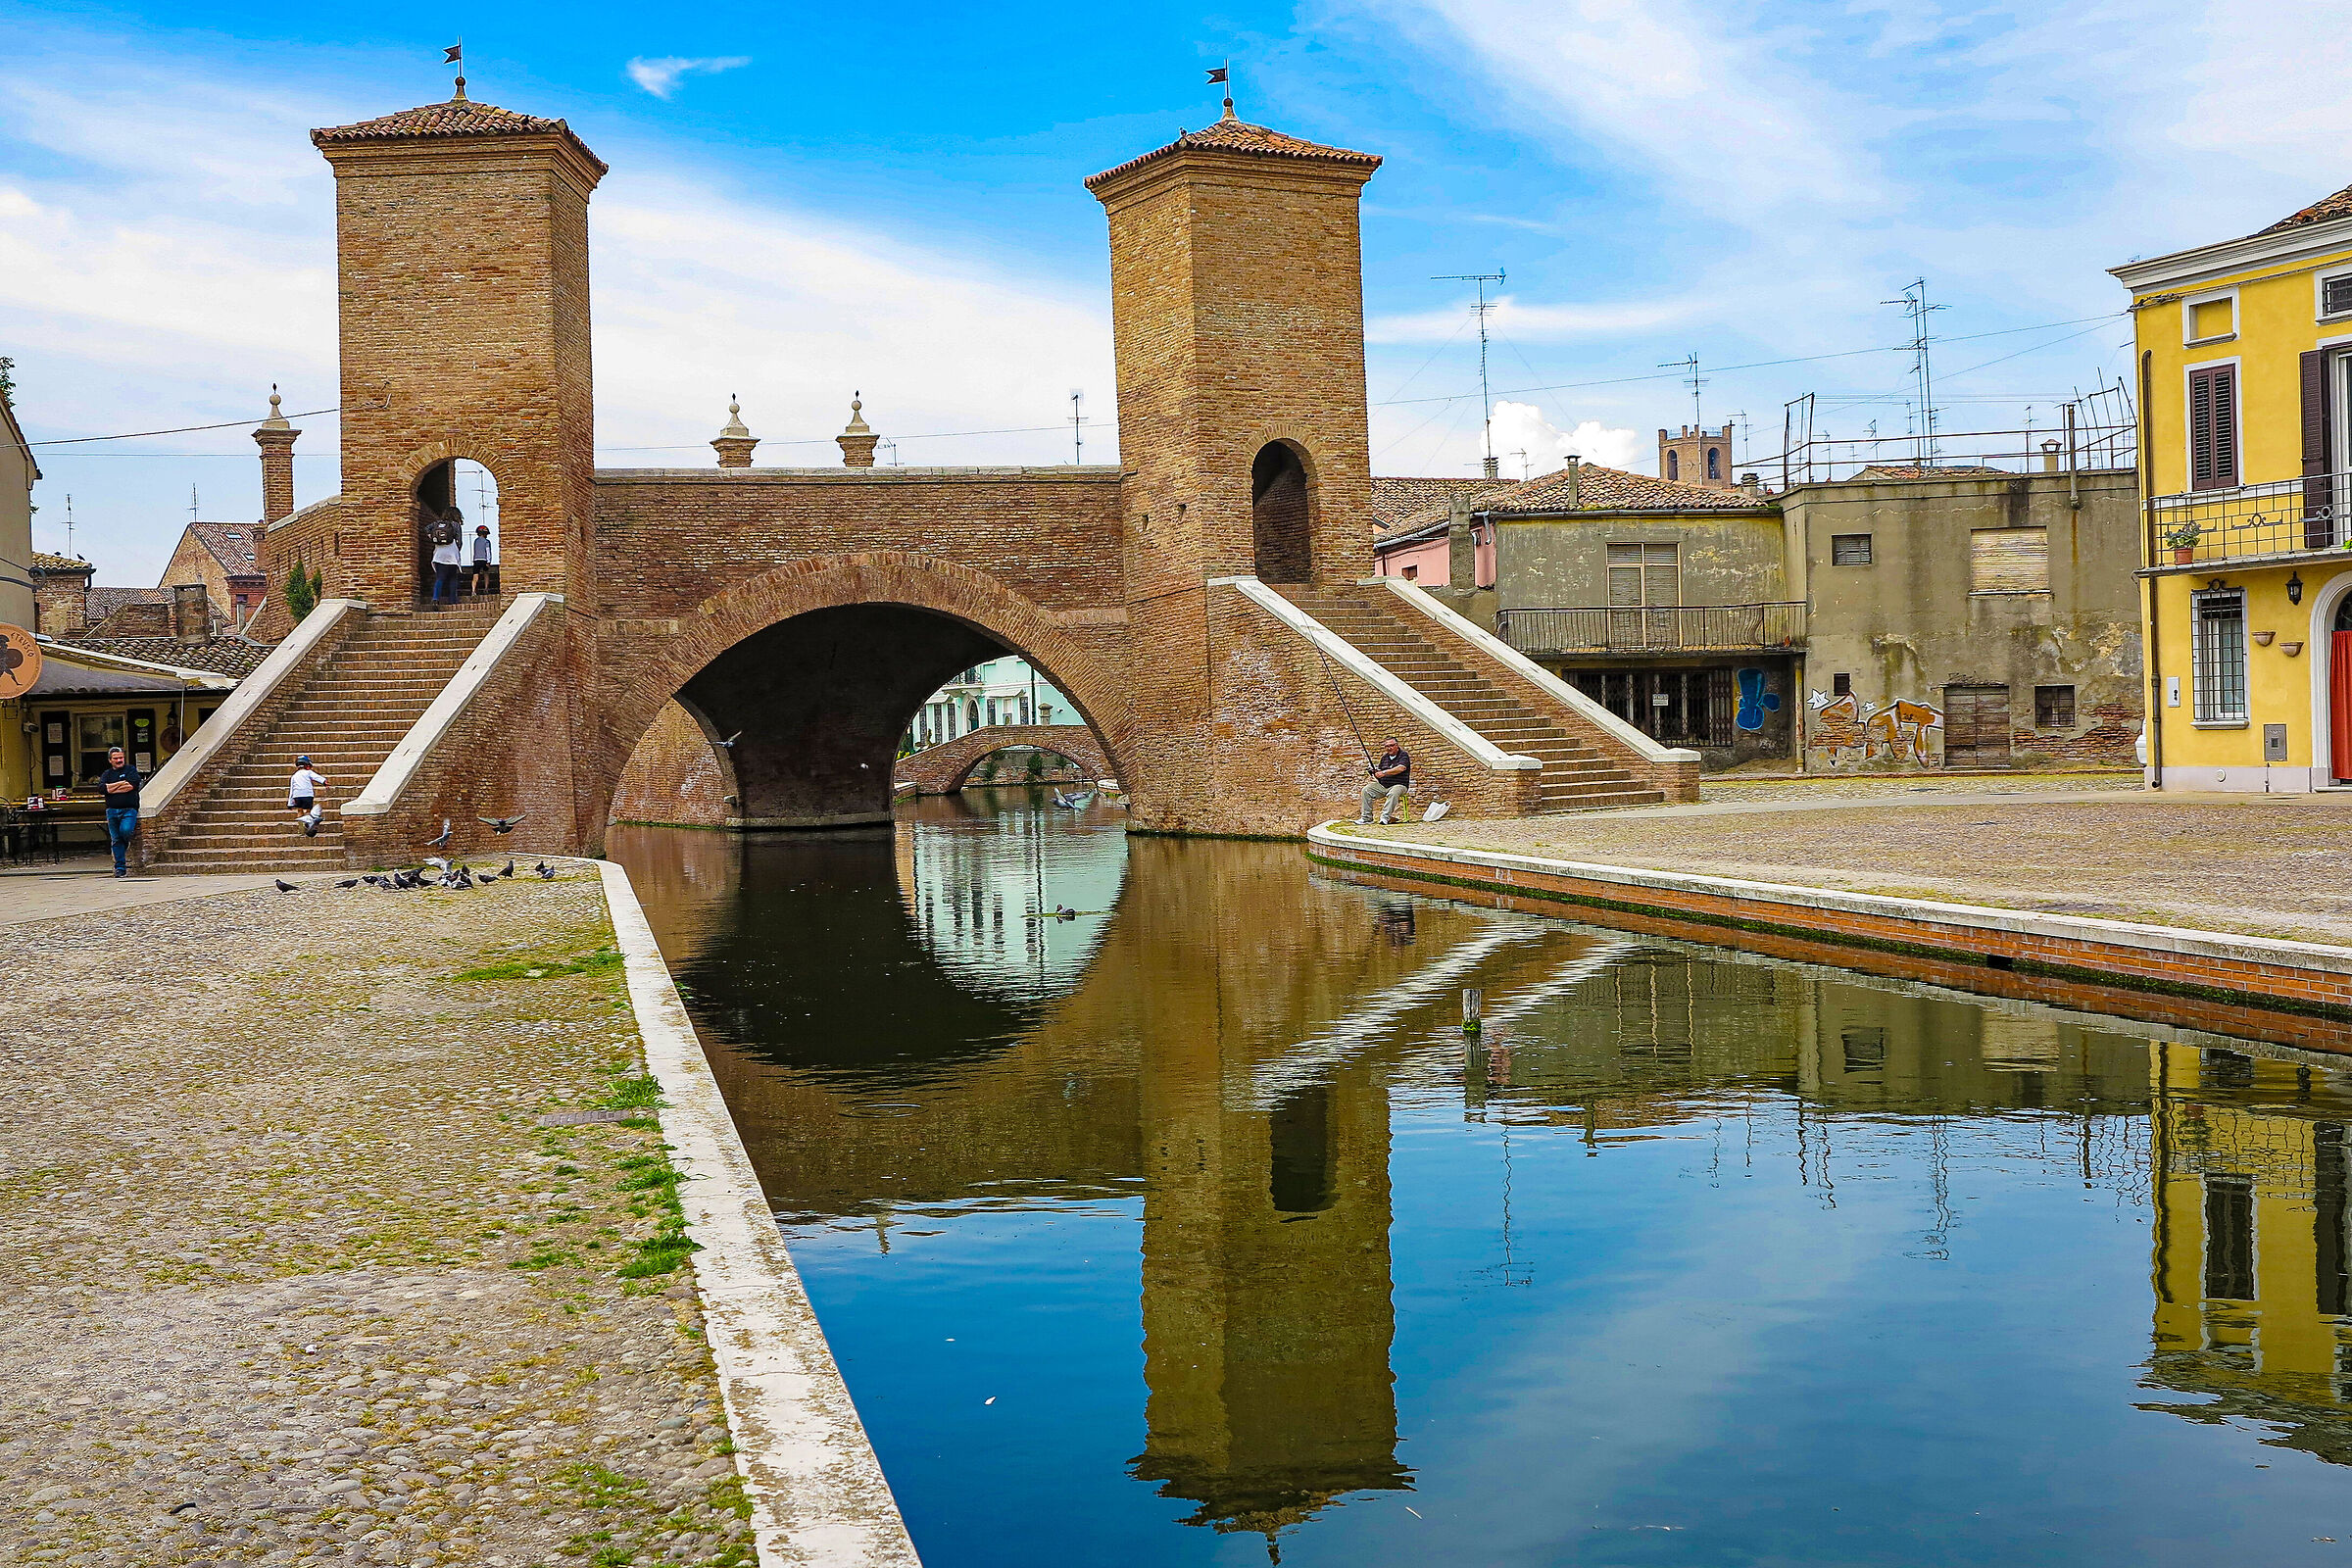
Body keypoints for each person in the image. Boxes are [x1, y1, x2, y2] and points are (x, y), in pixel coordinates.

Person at [96, 746, 140, 877]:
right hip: (112, 811)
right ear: (110, 760)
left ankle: (125, 843)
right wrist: (121, 783)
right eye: (116, 758)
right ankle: (120, 868)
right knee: (115, 839)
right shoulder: (107, 774)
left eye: (121, 757)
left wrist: (112, 787)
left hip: (129, 810)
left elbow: (131, 786)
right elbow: (102, 789)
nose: (119, 760)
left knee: (125, 831)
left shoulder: (131, 770)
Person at [1358, 738, 1410, 825]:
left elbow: (1401, 768)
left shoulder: (1403, 755)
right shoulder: (1384, 758)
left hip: (1400, 784)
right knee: (1366, 790)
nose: (1389, 748)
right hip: (1383, 785)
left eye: (1391, 745)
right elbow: (1380, 772)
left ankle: (1385, 817)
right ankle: (1366, 818)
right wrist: (1376, 773)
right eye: (1386, 746)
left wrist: (1384, 772)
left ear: (1396, 746)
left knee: (1393, 793)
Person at [428, 510, 464, 604]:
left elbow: (427, 529)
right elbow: (459, 541)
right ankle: (452, 600)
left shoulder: (436, 524)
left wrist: (432, 537)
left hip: (439, 555)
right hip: (452, 555)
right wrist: (457, 550)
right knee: (453, 578)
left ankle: (435, 598)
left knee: (440, 578)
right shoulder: (455, 525)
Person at [288, 755, 328, 836]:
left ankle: (301, 829)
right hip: (307, 794)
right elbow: (316, 777)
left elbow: (292, 789)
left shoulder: (294, 776)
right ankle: (309, 825)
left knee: (299, 810)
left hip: (297, 795)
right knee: (308, 811)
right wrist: (324, 781)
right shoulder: (308, 772)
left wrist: (290, 803)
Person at [468, 522, 496, 598]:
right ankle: (486, 588)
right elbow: (488, 552)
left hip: (476, 560)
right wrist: (489, 561)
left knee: (475, 575)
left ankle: (473, 590)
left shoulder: (476, 541)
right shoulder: (487, 541)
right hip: (484, 560)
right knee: (486, 573)